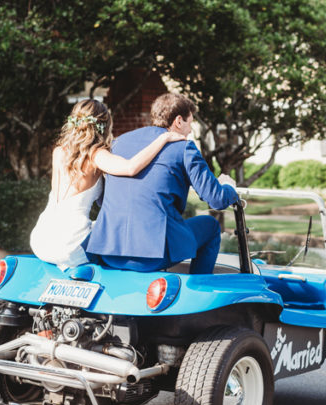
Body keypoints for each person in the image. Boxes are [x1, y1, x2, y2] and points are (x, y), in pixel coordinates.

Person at [86, 92, 239, 274]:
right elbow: (217, 200)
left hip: (107, 250)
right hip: (150, 256)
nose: (190, 131)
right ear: (178, 121)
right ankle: (198, 289)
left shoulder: (119, 143)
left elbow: (104, 200)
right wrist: (229, 186)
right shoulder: (184, 147)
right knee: (211, 226)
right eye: (190, 123)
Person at [30, 99, 184, 269]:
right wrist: (164, 138)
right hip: (70, 245)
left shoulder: (59, 151)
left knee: (98, 226)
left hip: (41, 239)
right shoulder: (96, 155)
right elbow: (131, 167)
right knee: (112, 241)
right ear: (104, 125)